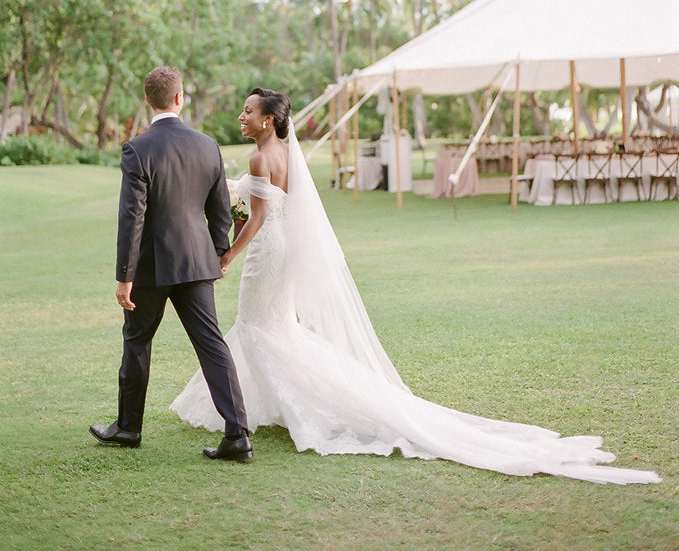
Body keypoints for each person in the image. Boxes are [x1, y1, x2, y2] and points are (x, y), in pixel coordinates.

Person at [170, 87, 660, 484]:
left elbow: (255, 218)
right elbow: (278, 207)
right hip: (283, 250)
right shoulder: (283, 158)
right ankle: (258, 409)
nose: (241, 116)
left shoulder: (260, 161)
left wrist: (229, 253)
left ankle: (256, 418)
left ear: (270, 120)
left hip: (264, 251)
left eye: (248, 111)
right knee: (273, 327)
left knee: (257, 330)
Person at [90, 66, 251, 463]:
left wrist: (123, 277)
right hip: (197, 262)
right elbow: (220, 213)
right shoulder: (207, 145)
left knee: (137, 341)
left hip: (150, 268)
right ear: (180, 98)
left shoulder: (137, 148)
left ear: (148, 100)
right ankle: (238, 436)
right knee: (212, 344)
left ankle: (128, 428)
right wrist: (218, 252)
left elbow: (132, 218)